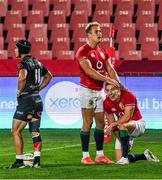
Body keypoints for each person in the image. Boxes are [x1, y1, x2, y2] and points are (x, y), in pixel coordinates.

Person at [75, 22, 121, 164]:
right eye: (96, 31)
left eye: (100, 31)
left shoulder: (102, 51)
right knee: (87, 122)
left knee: (100, 122)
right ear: (88, 35)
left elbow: (110, 68)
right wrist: (108, 80)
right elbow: (89, 72)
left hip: (99, 92)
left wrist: (118, 83)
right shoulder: (82, 51)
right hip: (87, 91)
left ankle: (100, 155)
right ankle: (85, 156)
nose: (100, 34)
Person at [5, 39, 52, 168]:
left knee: (15, 131)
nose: (14, 50)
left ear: (20, 50)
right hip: (37, 100)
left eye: (16, 48)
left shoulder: (22, 64)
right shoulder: (37, 62)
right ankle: (36, 161)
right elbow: (49, 76)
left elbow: (22, 77)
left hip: (26, 100)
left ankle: (19, 161)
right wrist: (38, 89)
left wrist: (18, 92)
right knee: (35, 130)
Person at [104, 83, 160, 164]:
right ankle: (144, 156)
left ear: (118, 90)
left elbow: (127, 117)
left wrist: (113, 125)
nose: (110, 93)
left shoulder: (128, 95)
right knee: (118, 160)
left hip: (138, 125)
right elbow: (112, 124)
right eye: (108, 90)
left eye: (113, 89)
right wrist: (123, 142)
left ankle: (124, 158)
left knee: (121, 125)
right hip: (123, 129)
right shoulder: (106, 103)